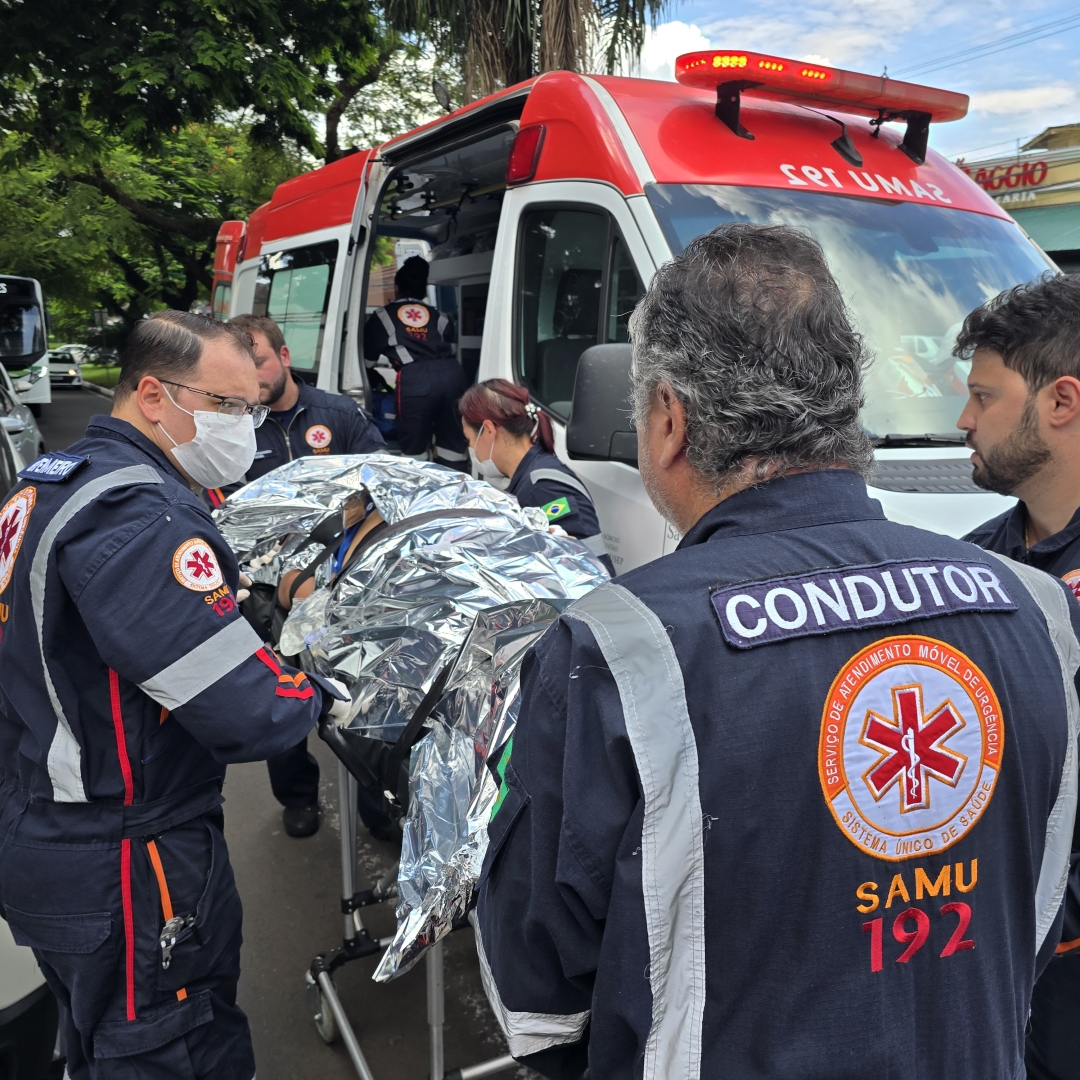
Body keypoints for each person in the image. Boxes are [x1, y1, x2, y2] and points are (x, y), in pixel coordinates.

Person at [474, 224, 1080, 1080]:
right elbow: (1035, 913)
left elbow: (542, 1002)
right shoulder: (1036, 608)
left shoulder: (619, 648)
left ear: (670, 419)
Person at [0, 312, 348, 1080]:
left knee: (97, 1044)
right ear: (153, 395)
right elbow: (246, 709)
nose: (247, 429)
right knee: (171, 1051)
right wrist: (328, 686)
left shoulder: (50, 485)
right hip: (126, 857)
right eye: (227, 406)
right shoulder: (140, 515)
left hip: (46, 825)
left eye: (254, 409)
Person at [955, 272, 1080, 1080]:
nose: (963, 421)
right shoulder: (970, 569)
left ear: (1061, 403)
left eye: (983, 397)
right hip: (989, 958)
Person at [226, 313, 385, 838]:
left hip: (344, 584)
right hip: (268, 593)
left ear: (285, 356)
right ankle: (297, 796)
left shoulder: (337, 415)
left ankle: (378, 802)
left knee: (365, 695)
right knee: (279, 693)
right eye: (242, 366)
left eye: (262, 361)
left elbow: (387, 484)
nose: (254, 376)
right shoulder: (231, 427)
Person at [459, 379, 614, 574]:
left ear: (488, 430)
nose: (471, 448)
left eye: (469, 439)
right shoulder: (530, 477)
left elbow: (593, 572)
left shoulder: (542, 489)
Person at [363, 255, 470, 469]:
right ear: (423, 289)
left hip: (416, 380)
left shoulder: (383, 316)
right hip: (453, 376)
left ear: (396, 287)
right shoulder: (440, 316)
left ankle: (420, 495)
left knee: (414, 450)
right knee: (453, 446)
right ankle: (455, 492)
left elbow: (367, 363)